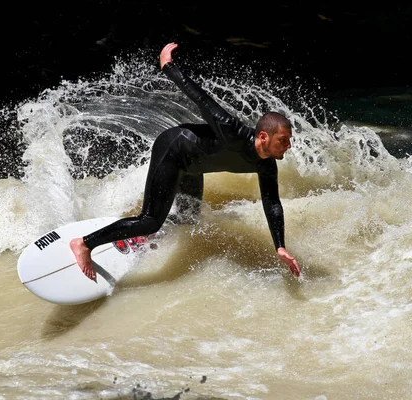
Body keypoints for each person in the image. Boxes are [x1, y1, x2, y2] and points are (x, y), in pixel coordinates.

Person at [70, 42, 301, 280]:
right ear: (263, 136)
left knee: (188, 220)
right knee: (150, 220)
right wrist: (168, 66)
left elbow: (272, 203)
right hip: (173, 149)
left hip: (194, 167)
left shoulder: (266, 164)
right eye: (283, 140)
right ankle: (84, 244)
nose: (288, 145)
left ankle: (144, 234)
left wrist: (280, 247)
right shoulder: (232, 131)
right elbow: (201, 99)